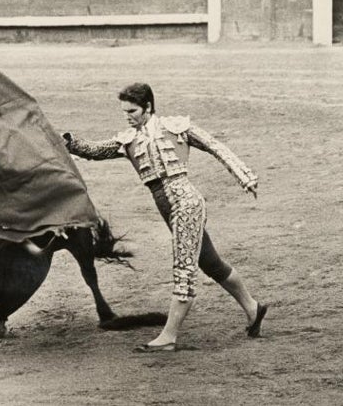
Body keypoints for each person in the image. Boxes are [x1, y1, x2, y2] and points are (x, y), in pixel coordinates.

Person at [62, 83, 267, 352]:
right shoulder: (128, 139)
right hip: (170, 209)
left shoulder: (176, 127)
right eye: (124, 111)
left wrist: (245, 176)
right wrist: (69, 143)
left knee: (184, 270)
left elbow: (214, 145)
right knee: (210, 262)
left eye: (132, 110)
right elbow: (95, 151)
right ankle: (253, 308)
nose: (127, 116)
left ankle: (169, 336)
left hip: (186, 204)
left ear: (148, 107)